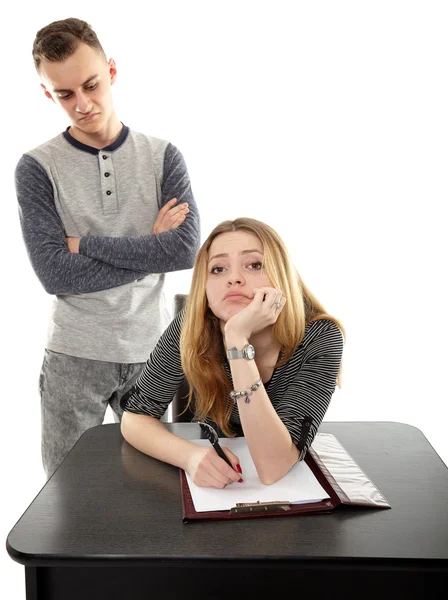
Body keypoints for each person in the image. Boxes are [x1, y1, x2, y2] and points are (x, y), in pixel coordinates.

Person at [15, 18, 200, 478]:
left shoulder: (163, 156)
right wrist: (148, 246)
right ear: (47, 94)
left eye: (91, 85)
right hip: (74, 357)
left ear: (112, 71)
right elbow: (55, 274)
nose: (82, 104)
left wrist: (84, 245)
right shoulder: (36, 168)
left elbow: (182, 252)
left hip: (152, 352)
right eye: (64, 94)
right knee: (65, 496)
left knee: (154, 492)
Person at [120, 218, 344, 488]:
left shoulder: (321, 337)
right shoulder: (192, 326)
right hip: (219, 482)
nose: (234, 278)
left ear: (281, 275)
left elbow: (274, 467)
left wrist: (237, 341)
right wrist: (190, 457)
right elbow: (135, 417)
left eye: (254, 265)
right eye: (218, 269)